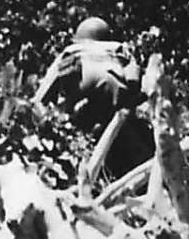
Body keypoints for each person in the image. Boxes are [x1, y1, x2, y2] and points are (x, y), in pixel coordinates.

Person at [33, 17, 155, 180]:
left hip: (83, 109)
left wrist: (50, 126)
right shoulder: (120, 50)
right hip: (118, 110)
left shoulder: (71, 51)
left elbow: (39, 101)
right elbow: (139, 86)